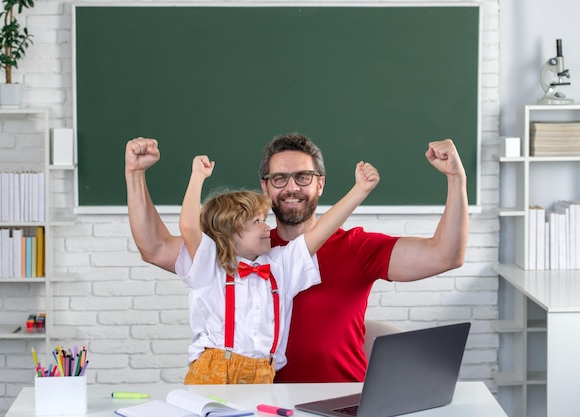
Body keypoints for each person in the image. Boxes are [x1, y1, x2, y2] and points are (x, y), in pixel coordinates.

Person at [125, 134, 468, 383]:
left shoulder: (354, 247)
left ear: (320, 184)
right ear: (266, 187)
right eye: (280, 178)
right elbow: (154, 247)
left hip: (340, 401)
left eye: (303, 177)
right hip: (260, 403)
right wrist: (136, 174)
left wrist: (456, 179)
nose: (292, 187)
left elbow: (445, 255)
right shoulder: (236, 250)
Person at [175, 152, 378, 384]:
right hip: (214, 371)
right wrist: (198, 177)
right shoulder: (209, 268)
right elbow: (189, 227)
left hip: (264, 373)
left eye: (264, 219)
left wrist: (360, 190)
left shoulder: (280, 265)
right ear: (229, 234)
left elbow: (321, 230)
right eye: (256, 222)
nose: (266, 227)